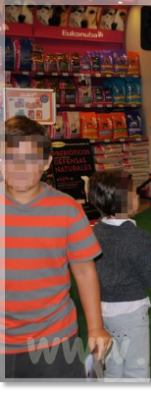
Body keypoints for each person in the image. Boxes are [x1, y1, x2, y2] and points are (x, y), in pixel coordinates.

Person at [2, 116, 110, 379]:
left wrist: (95, 327)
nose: (20, 167)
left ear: (47, 162)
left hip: (55, 336)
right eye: (10, 157)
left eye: (30, 158)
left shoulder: (67, 210)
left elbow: (84, 272)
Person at [89, 171, 151, 381]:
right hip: (131, 315)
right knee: (137, 371)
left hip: (103, 313)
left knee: (113, 367)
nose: (138, 196)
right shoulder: (137, 237)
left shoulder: (93, 232)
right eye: (134, 193)